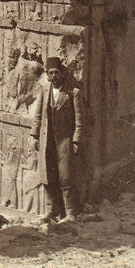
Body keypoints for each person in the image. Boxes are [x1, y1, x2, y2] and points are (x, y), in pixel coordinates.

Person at [30, 56, 84, 222]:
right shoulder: (45, 90)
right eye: (51, 73)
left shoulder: (73, 92)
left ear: (61, 73)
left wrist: (76, 140)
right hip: (47, 140)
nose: (54, 76)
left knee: (66, 176)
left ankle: (70, 212)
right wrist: (34, 135)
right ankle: (51, 211)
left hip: (64, 141)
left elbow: (79, 119)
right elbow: (38, 114)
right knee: (48, 175)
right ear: (47, 75)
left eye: (56, 72)